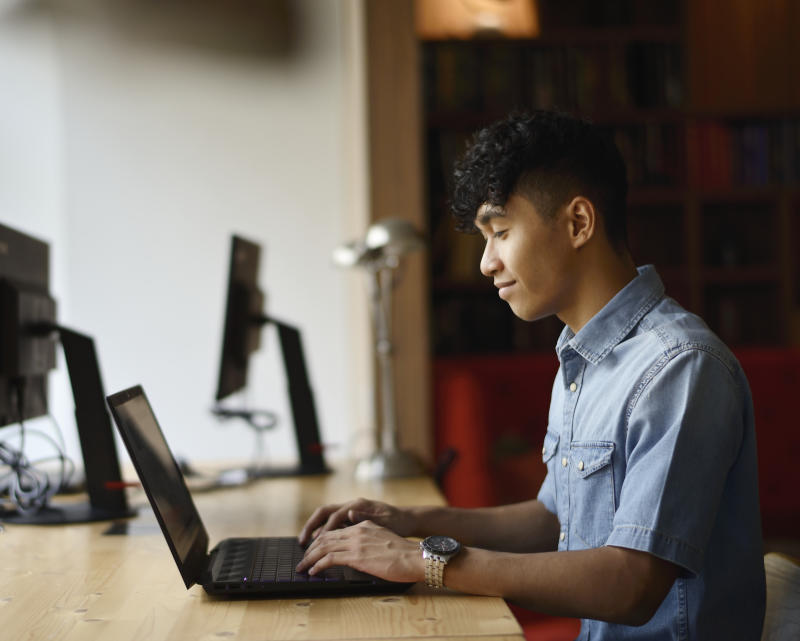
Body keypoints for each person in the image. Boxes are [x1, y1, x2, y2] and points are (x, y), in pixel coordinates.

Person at [296, 110, 765, 639]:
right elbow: (552, 518)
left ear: (579, 223)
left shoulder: (678, 367)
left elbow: (631, 583)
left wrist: (421, 560)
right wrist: (408, 519)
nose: (485, 263)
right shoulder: (581, 355)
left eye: (499, 232)